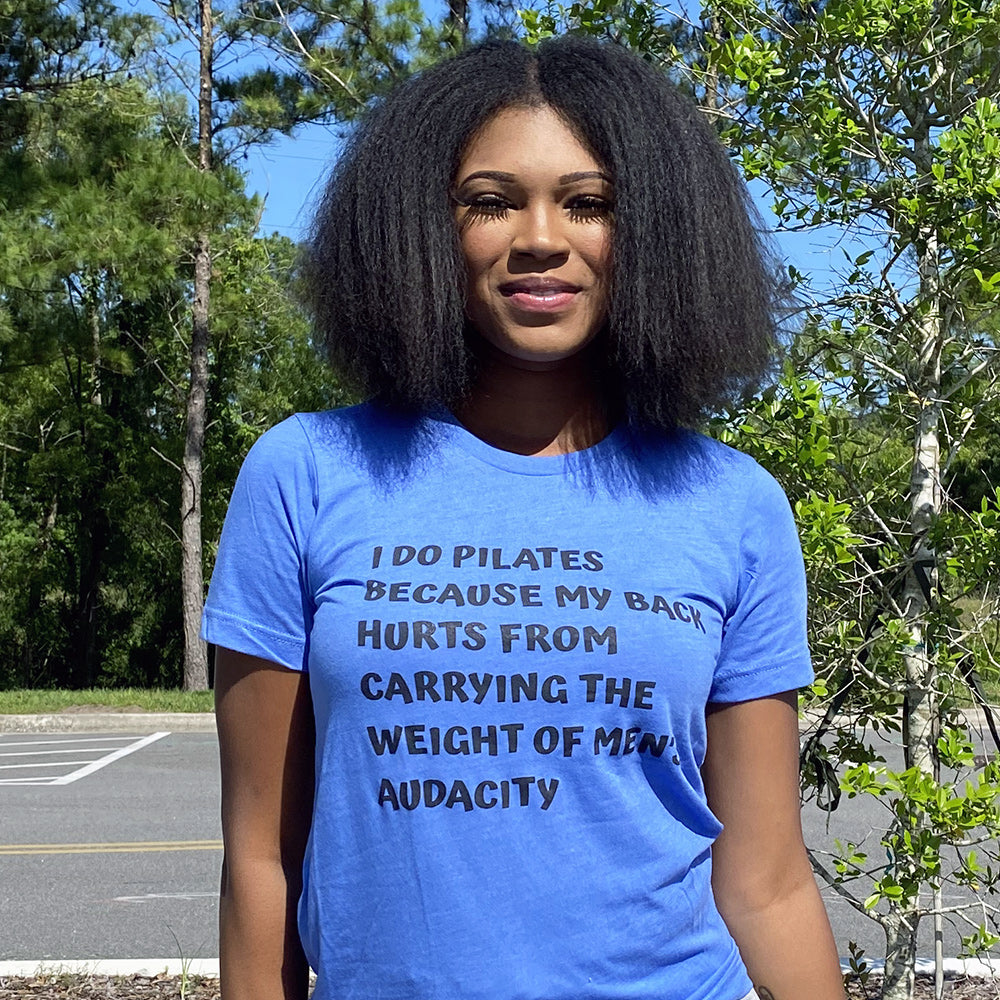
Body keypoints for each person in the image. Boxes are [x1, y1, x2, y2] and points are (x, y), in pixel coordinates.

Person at [203, 34, 847, 1000]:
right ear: (423, 227)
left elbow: (766, 881)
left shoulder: (733, 503)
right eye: (490, 201)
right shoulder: (304, 473)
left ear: (655, 234)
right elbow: (262, 859)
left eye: (589, 203)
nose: (541, 235)